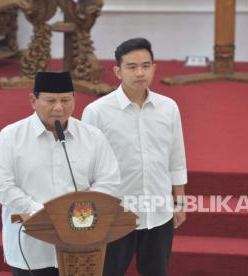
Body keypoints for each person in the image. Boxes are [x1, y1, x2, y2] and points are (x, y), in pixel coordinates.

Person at [0, 71, 121, 276]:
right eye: (50, 100)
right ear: (33, 100)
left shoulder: (92, 136)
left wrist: (82, 209)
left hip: (81, 244)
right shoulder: (11, 136)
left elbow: (109, 180)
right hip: (32, 247)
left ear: (74, 99)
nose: (59, 107)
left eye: (66, 100)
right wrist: (38, 211)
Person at [81, 38, 188, 276]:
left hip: (158, 212)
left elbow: (176, 156)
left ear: (154, 68)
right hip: (115, 215)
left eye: (145, 65)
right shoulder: (97, 112)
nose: (140, 72)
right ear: (117, 71)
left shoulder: (168, 107)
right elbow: (86, 167)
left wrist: (179, 200)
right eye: (132, 67)